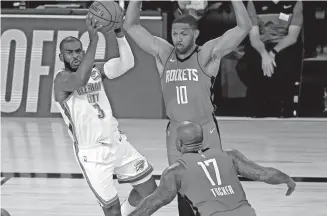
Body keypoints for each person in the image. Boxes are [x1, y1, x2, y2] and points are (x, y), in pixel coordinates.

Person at [123, 1, 252, 215]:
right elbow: (131, 26)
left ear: (196, 34)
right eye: (175, 33)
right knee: (182, 185)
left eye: (184, 34)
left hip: (205, 128)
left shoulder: (207, 54)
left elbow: (243, 28)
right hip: (176, 132)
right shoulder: (164, 53)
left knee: (213, 183)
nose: (178, 38)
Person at [53, 14, 157, 216]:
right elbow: (80, 80)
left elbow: (127, 63)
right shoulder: (61, 80)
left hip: (117, 142)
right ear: (61, 57)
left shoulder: (95, 71)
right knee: (111, 208)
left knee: (149, 191)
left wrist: (119, 34)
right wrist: (94, 40)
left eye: (78, 51)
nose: (75, 56)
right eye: (69, 53)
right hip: (92, 153)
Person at [127, 121, 296, 216]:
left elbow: (152, 203)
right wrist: (287, 179)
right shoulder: (230, 156)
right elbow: (265, 173)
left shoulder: (176, 171)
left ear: (178, 143)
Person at [237, 0, 303, 117]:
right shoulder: (253, 3)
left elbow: (292, 37)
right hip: (260, 44)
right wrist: (264, 54)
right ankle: (261, 105)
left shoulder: (296, 2)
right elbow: (254, 37)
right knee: (247, 66)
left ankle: (283, 105)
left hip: (283, 44)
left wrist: (273, 53)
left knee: (284, 67)